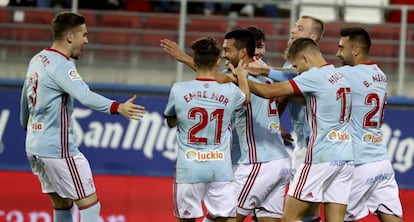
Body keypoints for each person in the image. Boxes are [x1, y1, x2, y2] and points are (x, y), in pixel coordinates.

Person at [19, 12, 146, 222]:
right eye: (84, 35)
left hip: (34, 147)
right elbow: (85, 95)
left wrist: (29, 129)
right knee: (90, 208)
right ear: (70, 36)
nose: (86, 40)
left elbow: (24, 100)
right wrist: (118, 107)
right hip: (59, 152)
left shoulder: (38, 59)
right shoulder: (62, 65)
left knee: (62, 205)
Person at [162, 29, 291, 222]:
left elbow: (213, 78)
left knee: (221, 218)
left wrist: (185, 58)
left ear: (242, 52)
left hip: (257, 163)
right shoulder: (268, 72)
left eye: (227, 50)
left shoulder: (243, 75)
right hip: (279, 161)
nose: (223, 55)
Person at [240, 37, 354, 222]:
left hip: (320, 157)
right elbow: (308, 100)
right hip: (345, 158)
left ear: (305, 58)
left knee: (289, 217)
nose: (297, 71)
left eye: (296, 66)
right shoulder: (340, 76)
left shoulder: (314, 76)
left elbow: (269, 92)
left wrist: (242, 77)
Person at [245, 16, 326, 222]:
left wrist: (260, 71)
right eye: (294, 27)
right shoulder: (292, 61)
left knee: (292, 210)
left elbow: (284, 88)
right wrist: (275, 123)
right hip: (307, 143)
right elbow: (282, 96)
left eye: (300, 28)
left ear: (313, 37)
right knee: (310, 205)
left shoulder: (313, 66)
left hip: (313, 144)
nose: (293, 31)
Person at [163, 36, 250, 222]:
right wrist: (242, 76)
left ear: (194, 61)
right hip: (219, 168)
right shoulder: (229, 90)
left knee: (186, 220)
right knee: (224, 219)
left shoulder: (178, 89)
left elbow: (170, 121)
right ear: (218, 61)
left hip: (189, 168)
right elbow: (246, 99)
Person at [336, 27, 403, 222]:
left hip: (359, 161)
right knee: (391, 216)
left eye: (342, 48)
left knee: (338, 217)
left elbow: (311, 77)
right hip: (381, 160)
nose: (338, 53)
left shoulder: (348, 74)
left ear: (356, 49)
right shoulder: (379, 74)